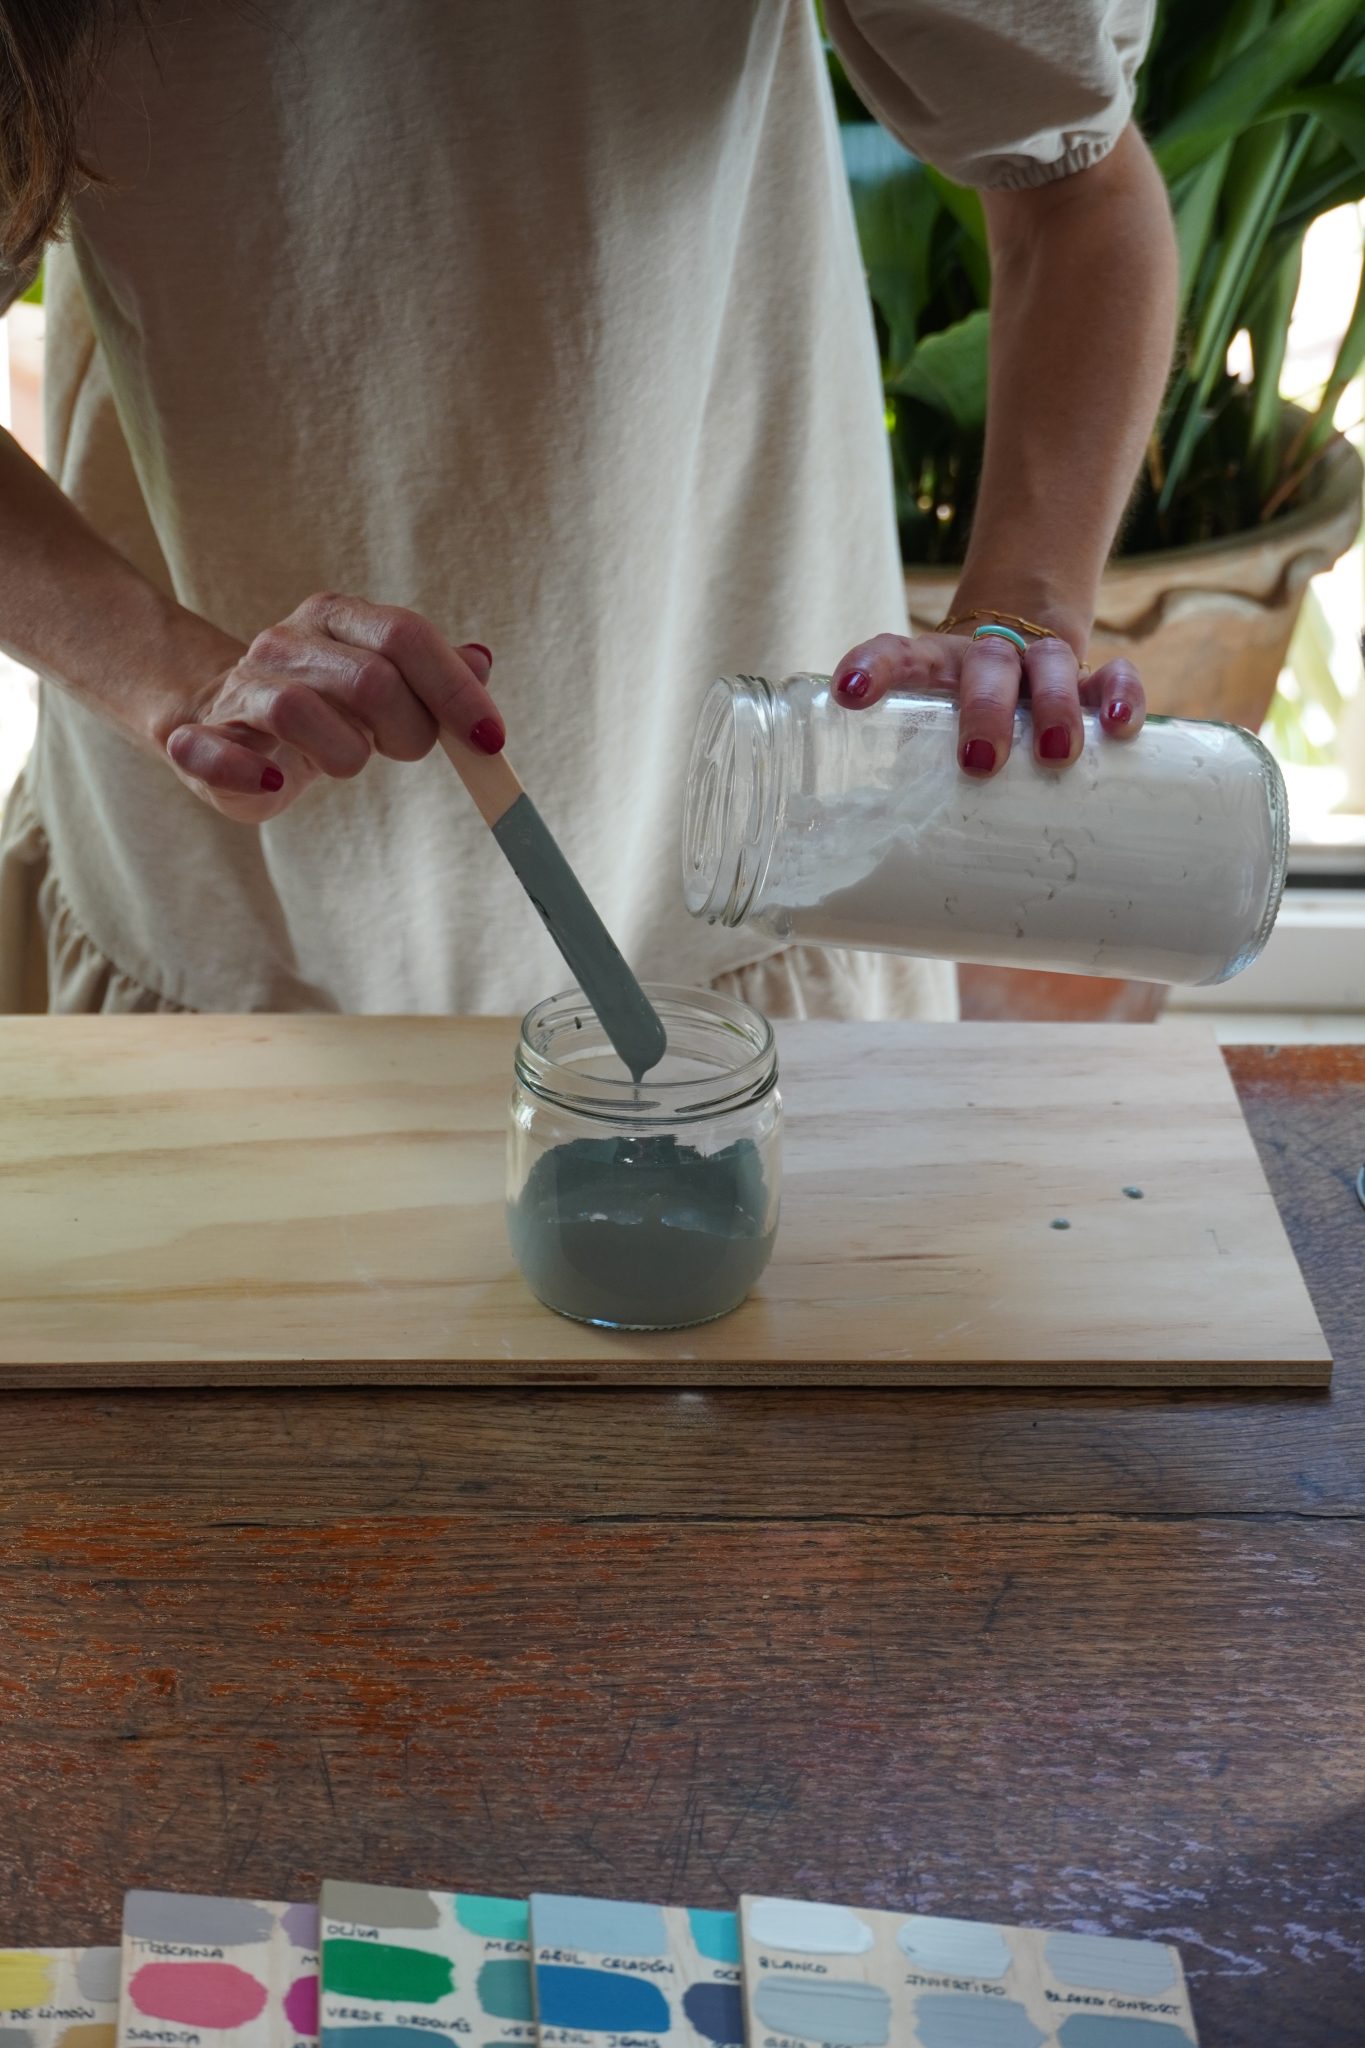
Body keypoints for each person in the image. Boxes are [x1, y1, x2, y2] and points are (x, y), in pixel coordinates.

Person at [0, 1, 1175, 1020]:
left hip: (751, 906)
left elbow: (1076, 194)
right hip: (207, 929)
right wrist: (178, 682)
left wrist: (1022, 608)